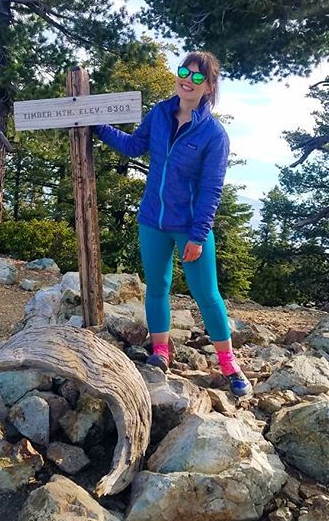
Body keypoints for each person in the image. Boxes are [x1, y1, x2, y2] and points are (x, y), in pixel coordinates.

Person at [94, 51, 253, 398]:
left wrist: (198, 235)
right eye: (184, 72)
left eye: (197, 77)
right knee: (157, 287)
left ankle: (228, 363)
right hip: (152, 220)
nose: (187, 80)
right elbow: (134, 146)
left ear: (209, 87)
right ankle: (161, 352)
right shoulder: (160, 114)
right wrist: (96, 125)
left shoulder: (214, 134)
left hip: (189, 227)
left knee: (207, 295)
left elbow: (212, 189)